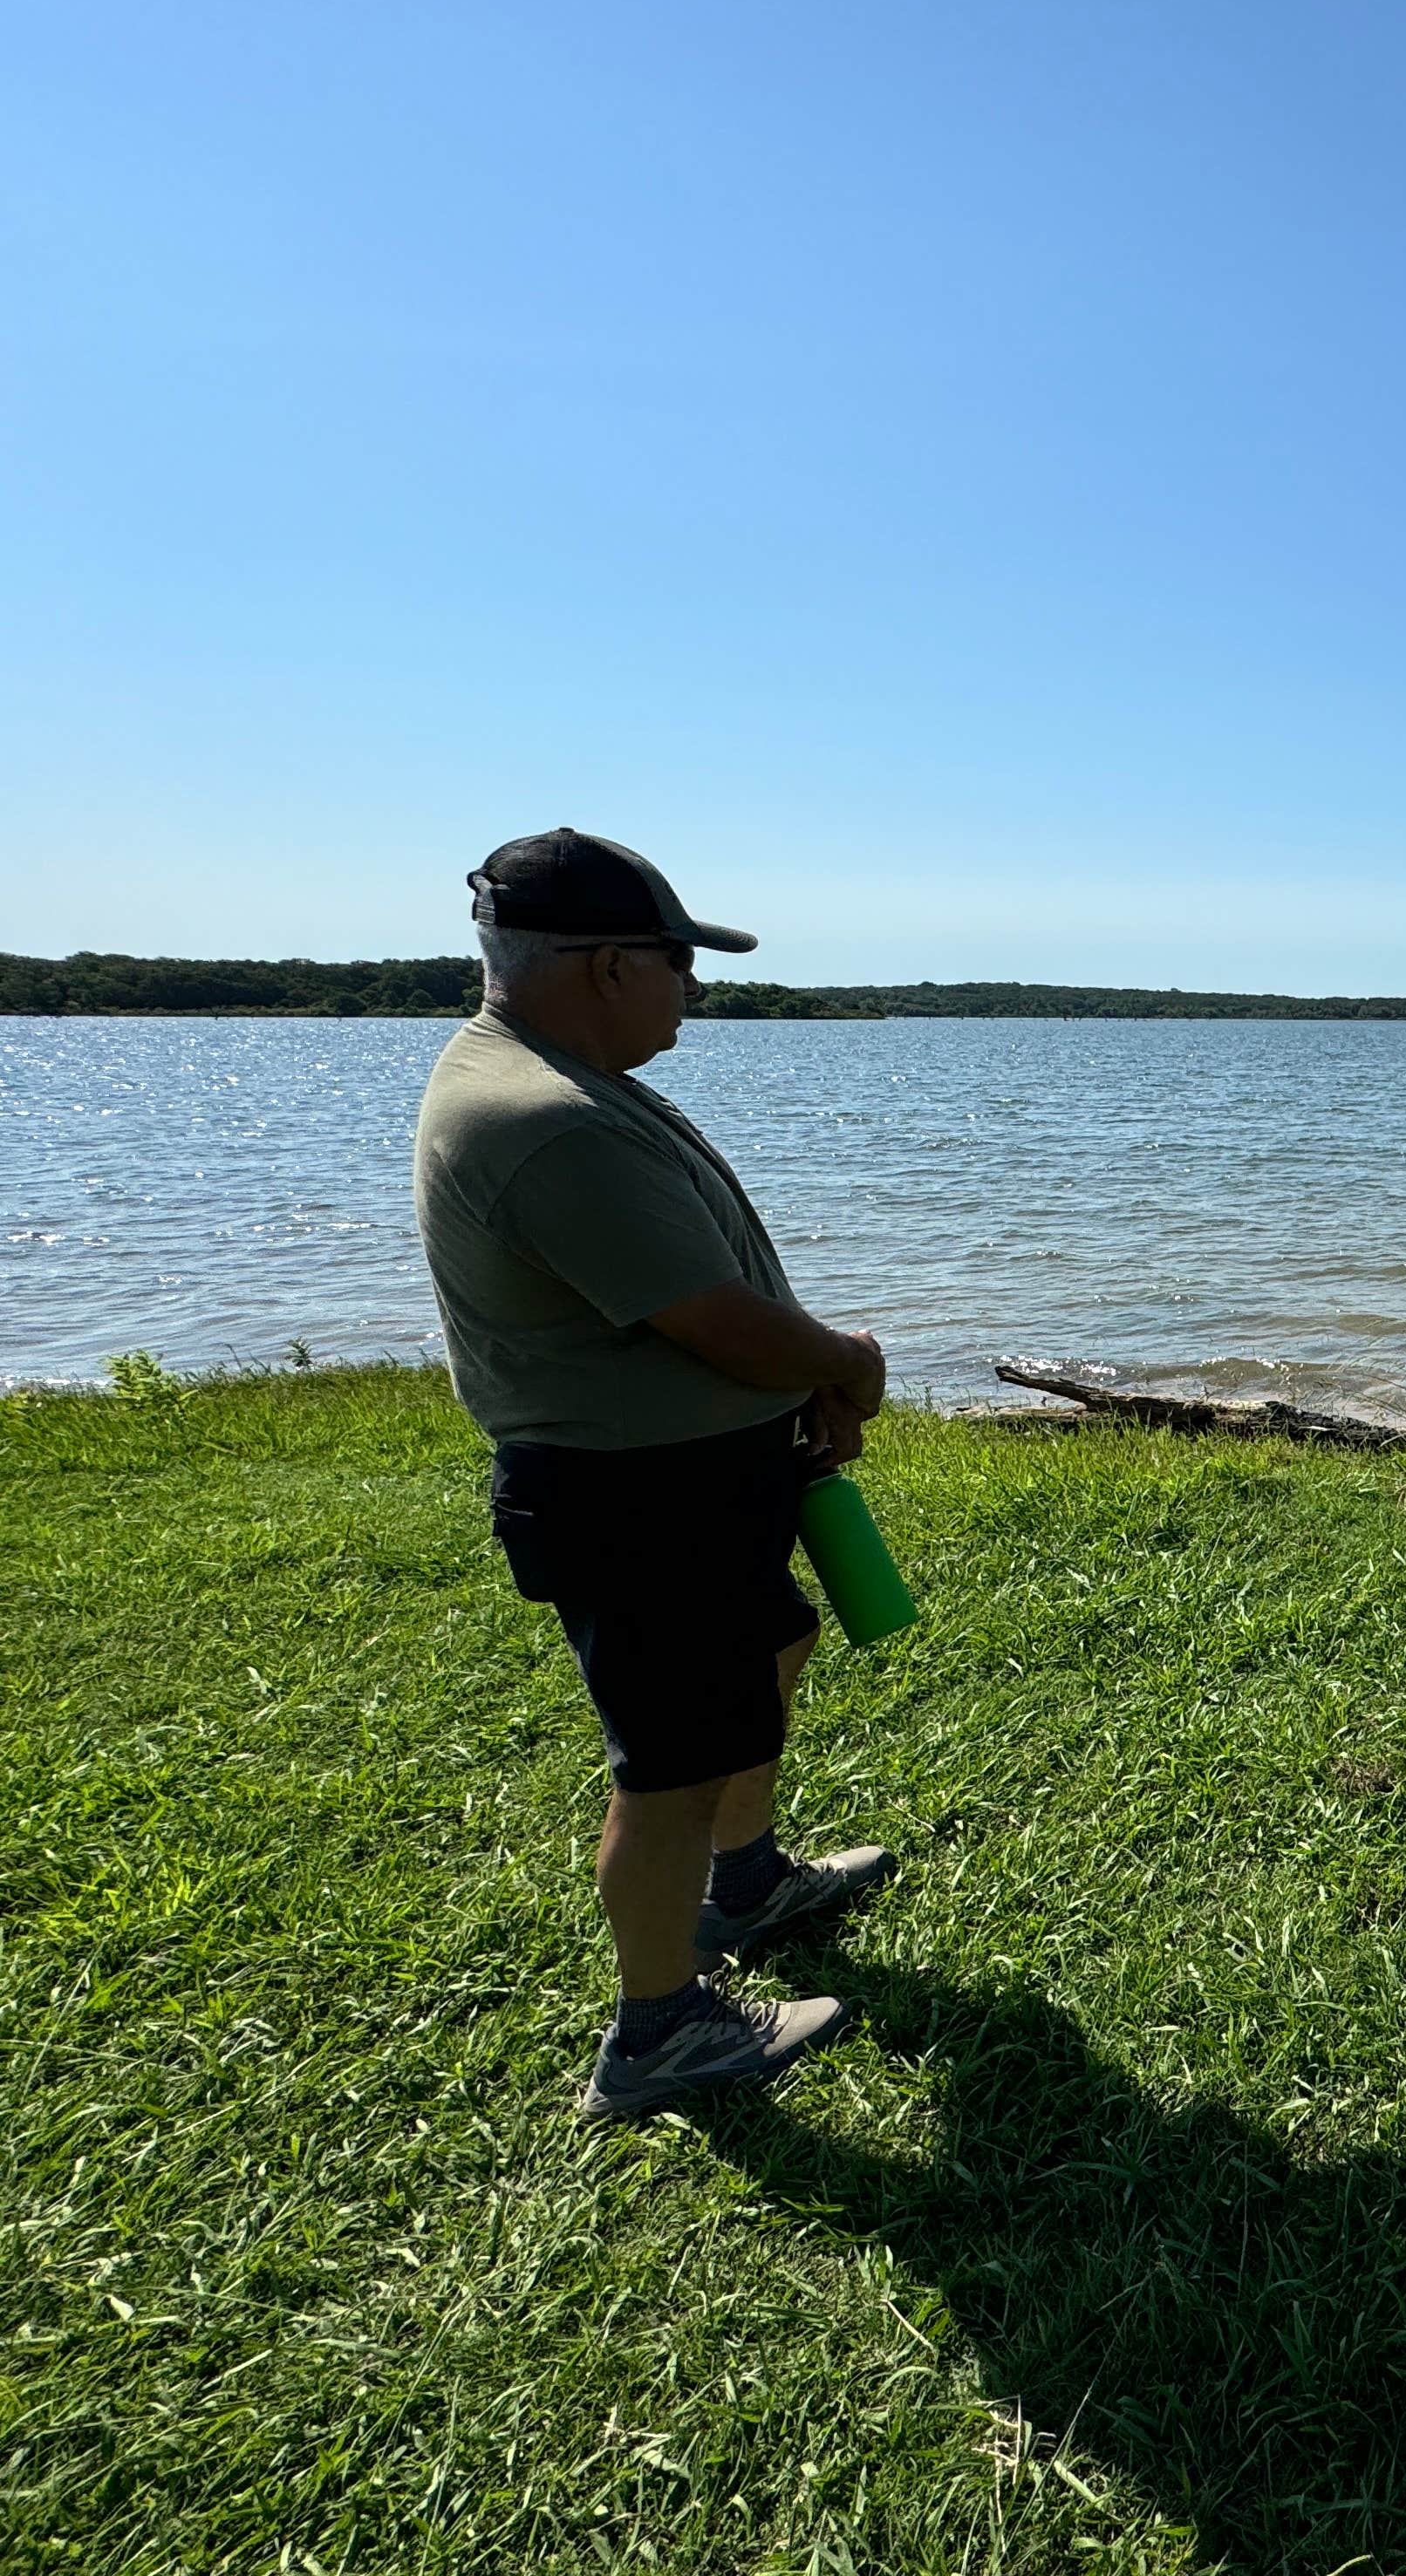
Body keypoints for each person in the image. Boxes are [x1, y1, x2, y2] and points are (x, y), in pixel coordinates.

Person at [413, 828, 898, 2120]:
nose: (693, 986)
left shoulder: (561, 1075)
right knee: (672, 1767)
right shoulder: (547, 1119)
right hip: (637, 1496)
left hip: (689, 1472)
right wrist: (846, 1362)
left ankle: (748, 1884)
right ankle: (660, 2030)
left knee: (771, 1651)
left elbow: (695, 1306)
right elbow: (715, 1320)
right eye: (679, 961)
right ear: (609, 964)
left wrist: (792, 1402)